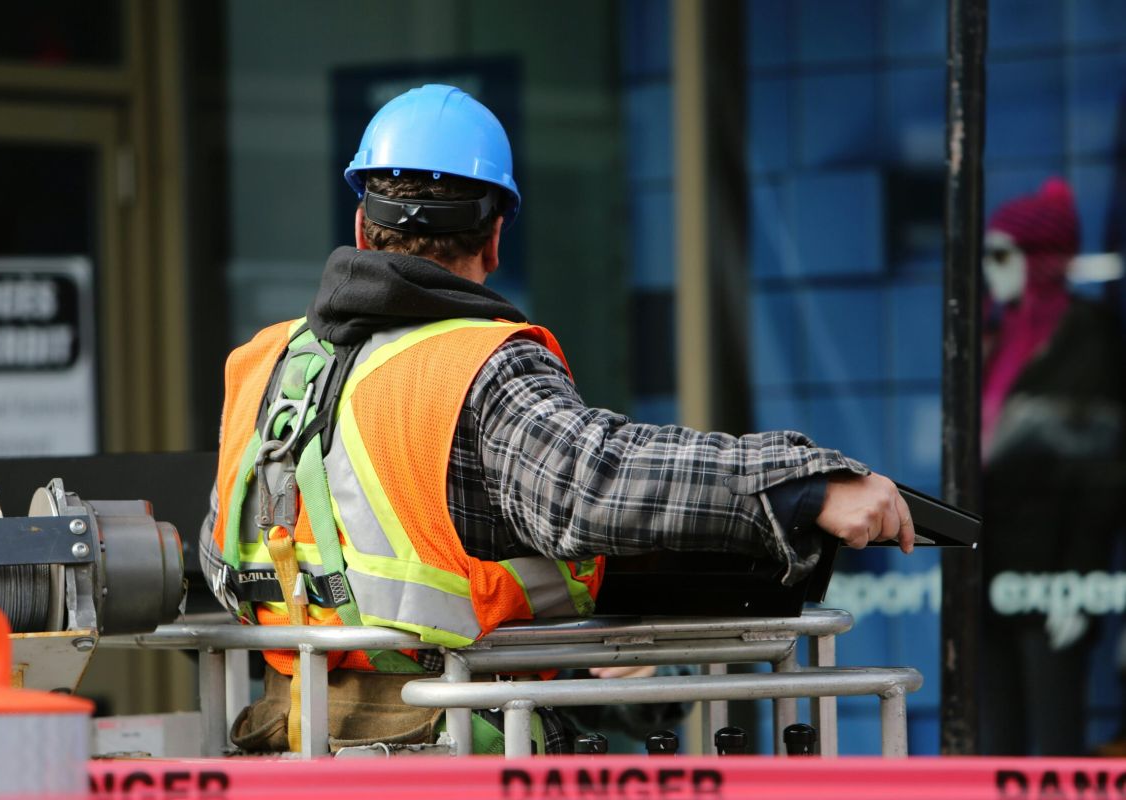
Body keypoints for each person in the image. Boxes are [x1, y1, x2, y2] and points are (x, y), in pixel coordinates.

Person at [199, 84, 914, 755]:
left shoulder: (263, 365)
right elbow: (591, 482)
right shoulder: (476, 365)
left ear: (361, 223)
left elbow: (221, 551)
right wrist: (804, 485)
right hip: (450, 751)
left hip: (290, 745)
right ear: (496, 237)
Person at [978, 179, 1126, 756]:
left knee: (1055, 740)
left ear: (1039, 258)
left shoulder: (1087, 338)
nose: (991, 270)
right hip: (990, 567)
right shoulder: (992, 337)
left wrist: (1079, 581)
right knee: (997, 741)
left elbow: (1101, 474)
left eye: (1001, 255)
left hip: (1054, 570)